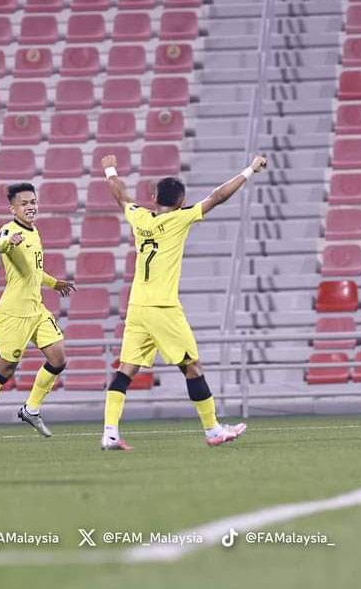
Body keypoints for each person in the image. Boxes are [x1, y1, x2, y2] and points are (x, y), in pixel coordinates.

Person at [99, 154, 268, 451]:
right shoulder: (180, 218)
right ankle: (213, 429)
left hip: (137, 307)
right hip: (162, 308)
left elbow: (120, 195)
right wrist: (250, 170)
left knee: (126, 369)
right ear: (181, 201)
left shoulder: (139, 216)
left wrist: (110, 169)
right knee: (192, 366)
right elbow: (217, 197)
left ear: (153, 198)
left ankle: (110, 432)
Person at [0, 183, 77, 444]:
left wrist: (54, 282)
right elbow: (1, 244)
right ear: (12, 208)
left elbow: (33, 272)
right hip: (14, 312)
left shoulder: (34, 232)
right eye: (24, 203)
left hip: (36, 309)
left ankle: (31, 409)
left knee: (58, 358)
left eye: (33, 201)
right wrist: (8, 242)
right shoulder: (9, 230)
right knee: (5, 369)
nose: (30, 206)